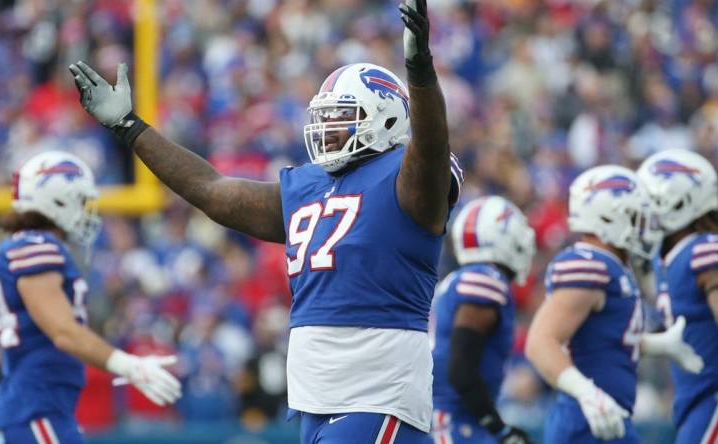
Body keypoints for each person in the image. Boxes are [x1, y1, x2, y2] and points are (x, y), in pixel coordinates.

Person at [69, 0, 461, 442]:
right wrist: (129, 126)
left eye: (343, 118)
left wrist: (419, 68)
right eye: (326, 118)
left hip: (375, 393)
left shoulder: (408, 181)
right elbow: (212, 191)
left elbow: (429, 147)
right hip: (317, 400)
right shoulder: (310, 186)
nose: (328, 129)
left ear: (388, 117)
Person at [0, 151, 181, 444]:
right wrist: (129, 365)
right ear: (56, 198)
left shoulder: (26, 246)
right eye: (79, 200)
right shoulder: (36, 246)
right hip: (37, 411)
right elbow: (63, 332)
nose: (85, 210)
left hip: (36, 410)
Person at [525, 165, 702, 444]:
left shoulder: (613, 267)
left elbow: (605, 338)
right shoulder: (589, 264)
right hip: (588, 420)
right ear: (607, 216)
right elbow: (540, 342)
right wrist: (587, 392)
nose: (644, 225)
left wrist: (658, 345)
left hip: (609, 418)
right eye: (635, 216)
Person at [637, 149, 718, 443]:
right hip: (694, 395)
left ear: (679, 200)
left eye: (652, 201)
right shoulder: (665, 258)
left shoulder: (706, 247)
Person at [430, 196, 535, 444]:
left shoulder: (458, 279)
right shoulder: (484, 278)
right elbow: (461, 371)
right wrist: (500, 429)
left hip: (449, 416)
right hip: (454, 420)